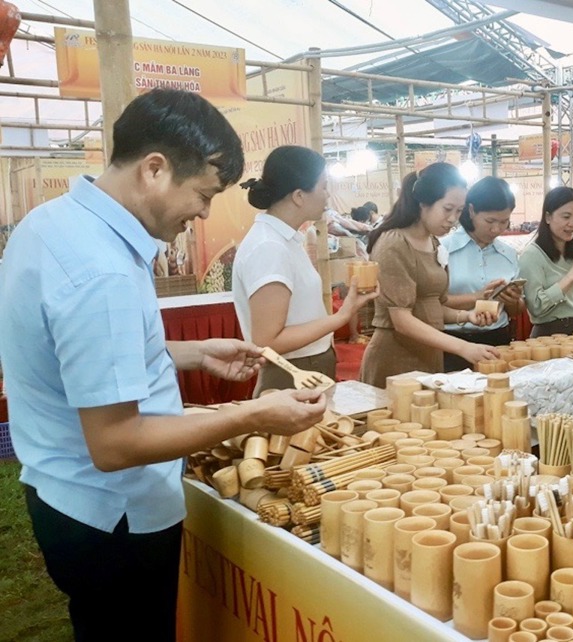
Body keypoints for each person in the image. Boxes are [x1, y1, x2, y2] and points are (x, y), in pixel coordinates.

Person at [0, 89, 328, 642]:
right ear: (155, 169)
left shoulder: (53, 224)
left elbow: (79, 358)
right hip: (113, 515)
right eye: (202, 195)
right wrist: (253, 416)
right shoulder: (100, 269)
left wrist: (192, 352)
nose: (203, 214)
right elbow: (117, 443)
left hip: (64, 493)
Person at [233, 145, 378, 393]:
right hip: (291, 372)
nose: (327, 196)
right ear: (299, 196)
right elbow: (268, 340)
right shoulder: (269, 247)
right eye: (323, 186)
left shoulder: (285, 240)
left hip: (308, 365)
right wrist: (341, 317)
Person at [359, 162, 500, 387]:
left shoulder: (433, 243)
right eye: (447, 209)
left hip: (429, 353)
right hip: (396, 356)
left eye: (459, 211)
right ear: (423, 203)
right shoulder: (394, 243)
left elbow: (433, 305)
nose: (453, 219)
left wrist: (466, 316)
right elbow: (402, 320)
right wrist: (463, 347)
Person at [441, 176, 522, 371]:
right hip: (452, 342)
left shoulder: (508, 255)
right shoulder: (443, 249)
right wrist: (477, 298)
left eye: (504, 222)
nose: (496, 229)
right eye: (490, 221)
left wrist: (512, 300)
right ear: (471, 210)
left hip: (498, 340)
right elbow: (431, 304)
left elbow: (516, 311)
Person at [518, 186, 573, 337]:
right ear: (548, 217)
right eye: (566, 217)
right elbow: (536, 307)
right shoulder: (532, 255)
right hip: (551, 335)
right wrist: (570, 278)